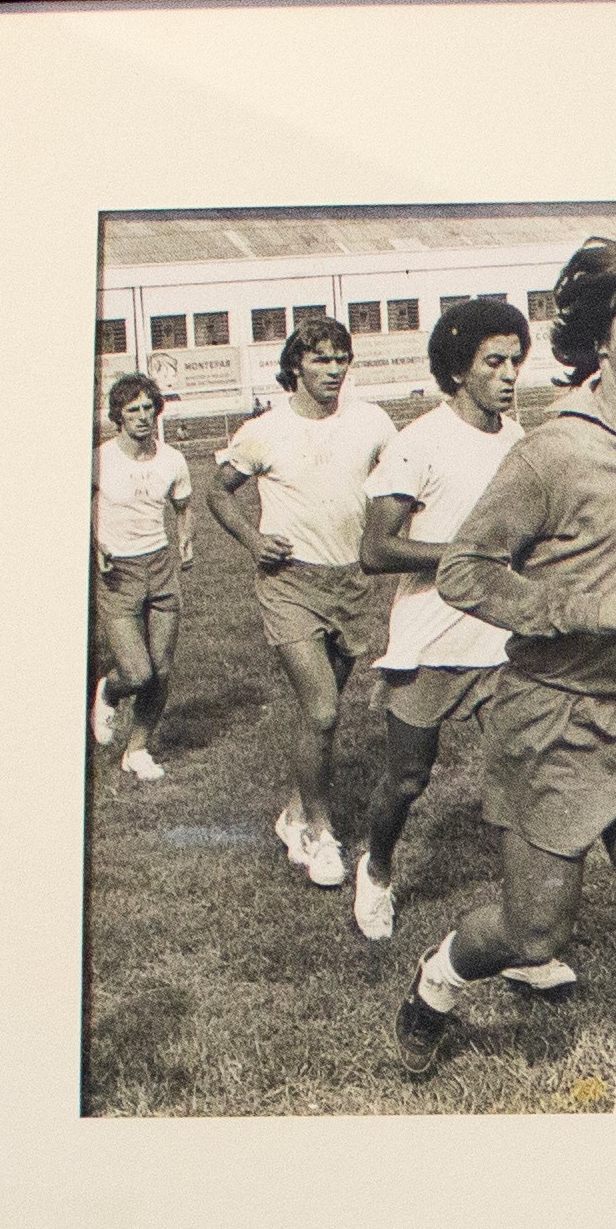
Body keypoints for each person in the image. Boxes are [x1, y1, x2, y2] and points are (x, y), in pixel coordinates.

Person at [395, 240, 616, 1111]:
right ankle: (438, 978)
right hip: (555, 724)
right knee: (531, 929)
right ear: (597, 340)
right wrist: (581, 609)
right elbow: (466, 572)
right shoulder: (551, 454)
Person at [348, 294, 562, 999]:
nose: (508, 375)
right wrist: (470, 559)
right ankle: (377, 868)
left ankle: (525, 936)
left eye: (514, 361)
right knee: (407, 780)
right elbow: (376, 549)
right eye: (492, 362)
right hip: (431, 642)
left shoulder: (518, 441)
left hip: (503, 647)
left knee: (525, 784)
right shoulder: (419, 442)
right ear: (458, 369)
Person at [208, 317, 398, 889]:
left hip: (352, 584)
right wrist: (253, 540)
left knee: (324, 713)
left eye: (341, 358)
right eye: (320, 359)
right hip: (289, 582)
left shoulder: (372, 422)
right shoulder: (265, 431)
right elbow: (218, 490)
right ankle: (319, 832)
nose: (333, 370)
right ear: (296, 366)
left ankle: (293, 812)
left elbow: (402, 483)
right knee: (321, 710)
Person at [90, 373, 193, 782]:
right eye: (133, 409)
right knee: (137, 672)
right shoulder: (100, 458)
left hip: (161, 567)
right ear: (119, 416)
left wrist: (186, 539)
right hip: (119, 571)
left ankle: (137, 749)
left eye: (148, 407)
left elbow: (183, 506)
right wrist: (96, 545)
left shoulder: (172, 459)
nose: (142, 416)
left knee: (162, 670)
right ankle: (108, 691)